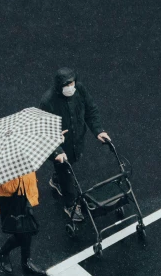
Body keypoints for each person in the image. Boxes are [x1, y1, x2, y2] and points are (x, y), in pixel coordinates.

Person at [39, 67, 111, 222]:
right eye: (67, 84)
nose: (71, 87)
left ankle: (56, 179)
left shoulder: (80, 89)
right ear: (59, 86)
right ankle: (70, 205)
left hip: (76, 140)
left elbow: (90, 110)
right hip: (60, 145)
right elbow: (45, 132)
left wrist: (98, 130)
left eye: (72, 83)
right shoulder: (48, 102)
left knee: (67, 166)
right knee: (65, 171)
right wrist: (57, 152)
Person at [0, 171, 47, 276]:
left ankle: (24, 261)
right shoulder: (3, 167)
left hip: (24, 197)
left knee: (26, 230)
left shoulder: (19, 159)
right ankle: (4, 253)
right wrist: (19, 175)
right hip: (12, 201)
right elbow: (10, 187)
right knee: (24, 231)